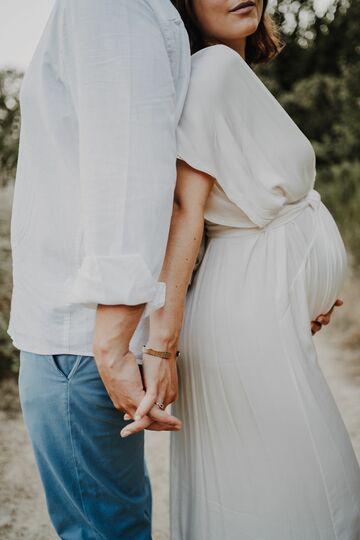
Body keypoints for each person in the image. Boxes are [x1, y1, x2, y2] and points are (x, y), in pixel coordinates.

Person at [124, 0, 360, 538]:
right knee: (292, 482)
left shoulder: (228, 74)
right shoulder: (213, 70)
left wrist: (301, 288)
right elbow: (185, 213)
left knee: (273, 478)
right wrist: (161, 348)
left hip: (260, 308)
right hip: (247, 316)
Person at [8, 0, 191, 538]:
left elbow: (128, 167)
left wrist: (112, 343)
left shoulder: (108, 5)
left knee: (99, 530)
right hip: (79, 331)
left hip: (78, 332)